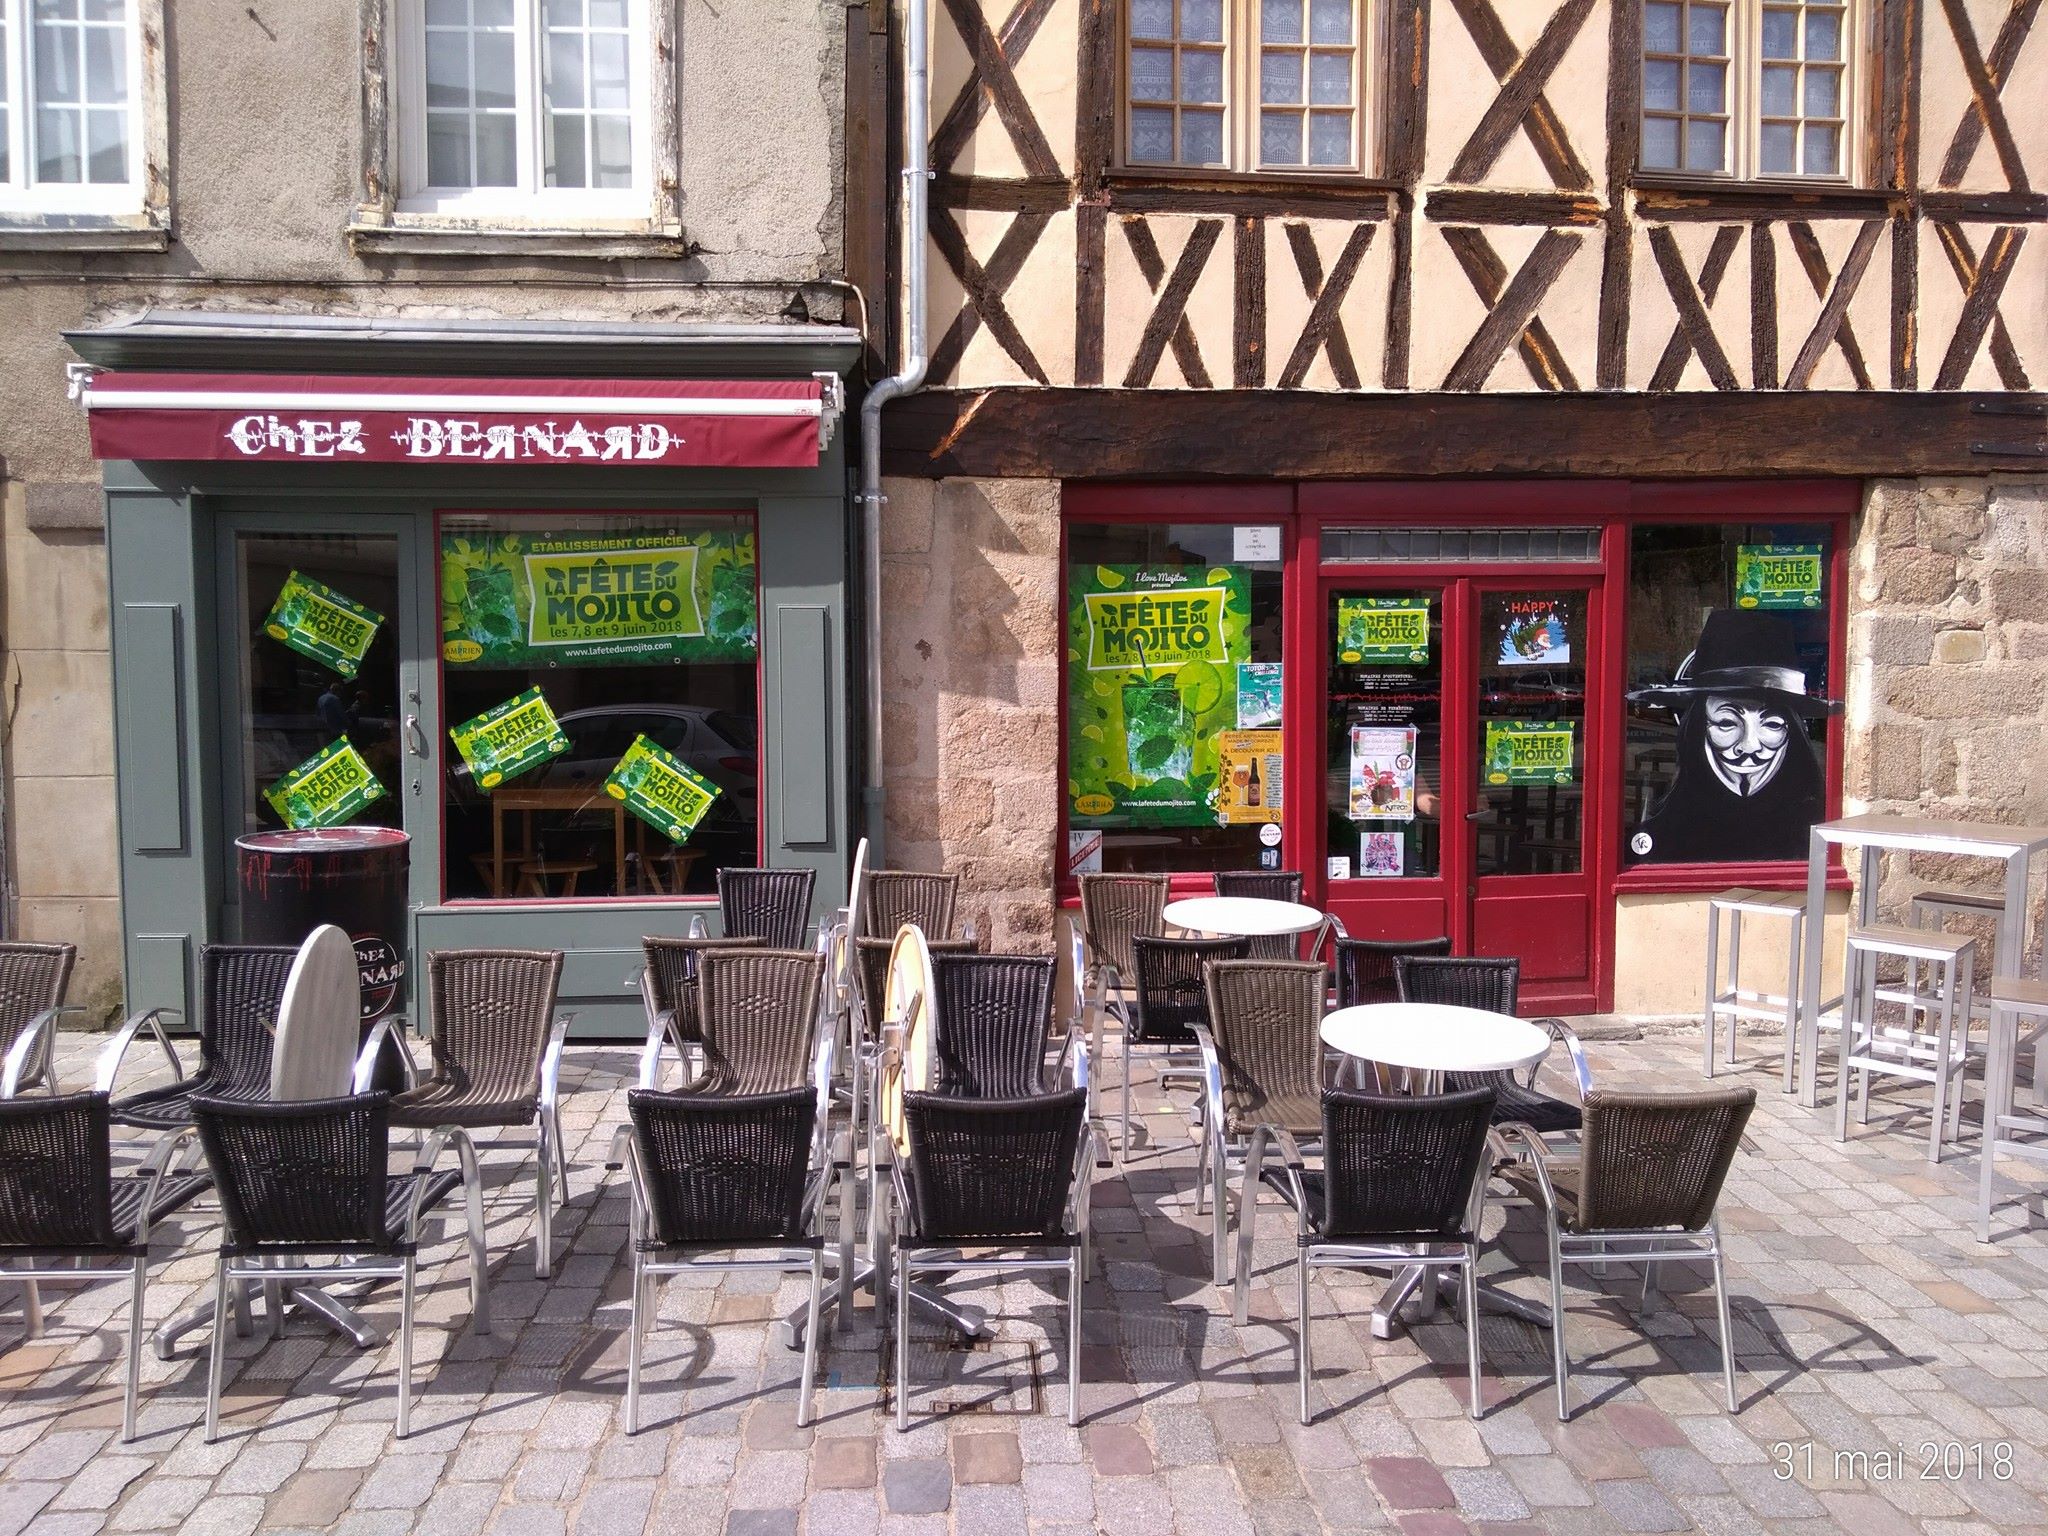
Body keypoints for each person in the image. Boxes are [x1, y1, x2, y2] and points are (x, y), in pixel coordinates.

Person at [1625, 610, 1839, 864]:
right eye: (1727, 722)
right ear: (1698, 728)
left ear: (1792, 731)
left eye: (1771, 724)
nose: (1749, 746)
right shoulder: (1656, 839)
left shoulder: (1821, 834)